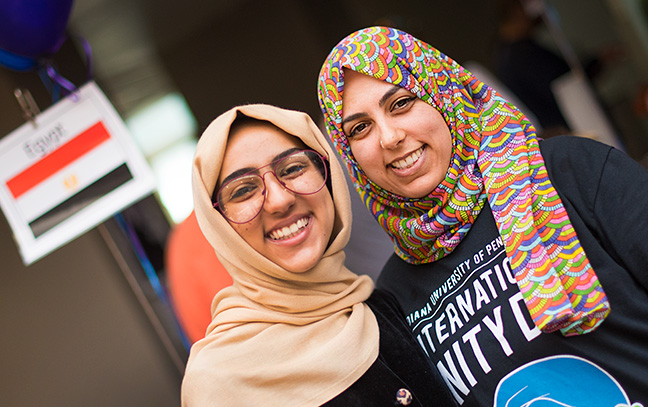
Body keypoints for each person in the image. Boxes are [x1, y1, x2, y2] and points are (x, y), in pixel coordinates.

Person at [317, 26, 648, 406]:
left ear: (442, 94)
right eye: (360, 128)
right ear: (349, 155)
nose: (389, 137)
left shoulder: (567, 171)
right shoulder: (395, 294)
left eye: (402, 103)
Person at [181, 103, 456, 406]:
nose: (280, 200)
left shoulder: (389, 306)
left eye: (293, 168)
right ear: (218, 224)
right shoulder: (217, 382)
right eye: (243, 190)